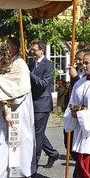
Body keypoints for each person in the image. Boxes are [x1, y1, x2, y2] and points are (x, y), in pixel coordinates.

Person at [0, 37, 36, 178]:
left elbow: (20, 85)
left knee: (19, 139)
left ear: (15, 48)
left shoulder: (20, 64)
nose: (5, 49)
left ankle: (21, 171)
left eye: (8, 46)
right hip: (3, 105)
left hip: (18, 107)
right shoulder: (6, 62)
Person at [28, 39, 59, 169]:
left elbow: (43, 84)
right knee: (36, 132)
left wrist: (29, 74)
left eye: (35, 50)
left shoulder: (49, 65)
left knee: (37, 133)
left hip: (42, 103)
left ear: (42, 50)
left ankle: (33, 164)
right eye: (31, 50)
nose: (32, 52)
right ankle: (52, 153)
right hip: (31, 103)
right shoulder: (30, 64)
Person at [62, 49, 87, 178]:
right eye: (77, 59)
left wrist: (76, 78)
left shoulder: (85, 76)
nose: (78, 62)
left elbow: (84, 89)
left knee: (78, 147)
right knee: (68, 144)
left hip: (83, 116)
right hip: (72, 113)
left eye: (81, 60)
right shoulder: (77, 74)